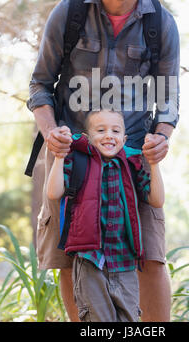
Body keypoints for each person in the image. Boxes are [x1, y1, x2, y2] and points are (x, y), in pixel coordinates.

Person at [27, 0, 180, 322]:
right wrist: (52, 136)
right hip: (72, 154)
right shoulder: (70, 11)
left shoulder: (160, 22)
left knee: (150, 255)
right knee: (68, 256)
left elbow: (167, 98)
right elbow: (40, 85)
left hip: (132, 158)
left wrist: (161, 138)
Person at [46, 110, 164, 322]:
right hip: (90, 259)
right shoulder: (78, 161)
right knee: (96, 320)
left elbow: (156, 200)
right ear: (88, 137)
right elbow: (54, 193)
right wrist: (59, 157)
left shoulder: (132, 164)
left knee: (129, 319)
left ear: (124, 138)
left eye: (115, 131)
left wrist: (153, 163)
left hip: (124, 260)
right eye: (100, 130)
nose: (109, 135)